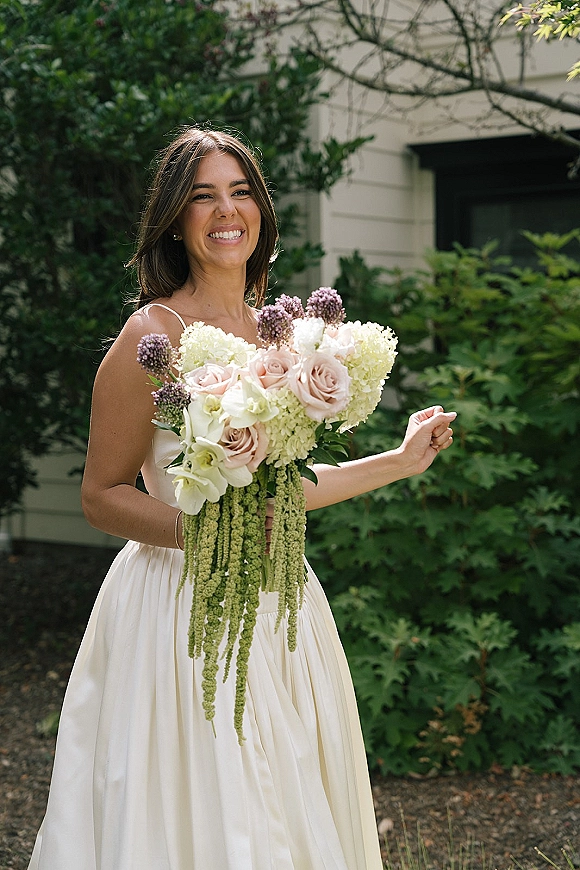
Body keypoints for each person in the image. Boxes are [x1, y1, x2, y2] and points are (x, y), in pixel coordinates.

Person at [28, 126, 456, 870]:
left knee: (288, 795)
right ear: (175, 219)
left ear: (260, 209)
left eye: (240, 191)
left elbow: (281, 500)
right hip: (178, 609)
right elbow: (101, 496)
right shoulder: (149, 336)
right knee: (205, 802)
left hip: (282, 603)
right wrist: (207, 538)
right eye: (202, 197)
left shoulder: (282, 336)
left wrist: (400, 460)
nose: (226, 211)